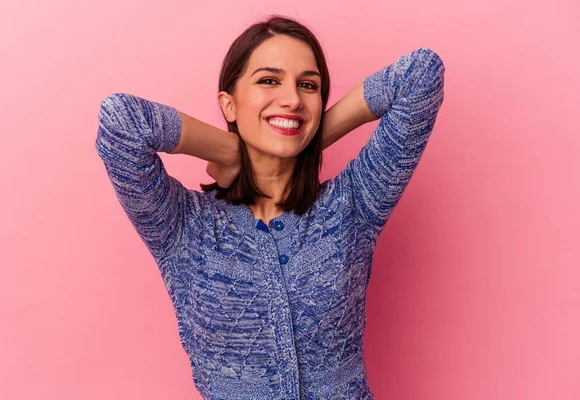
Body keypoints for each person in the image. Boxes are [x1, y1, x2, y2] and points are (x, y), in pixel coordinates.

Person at [95, 14, 445, 400]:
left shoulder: (352, 206)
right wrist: (228, 150)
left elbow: (420, 76)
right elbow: (121, 123)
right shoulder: (182, 226)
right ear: (229, 104)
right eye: (269, 80)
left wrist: (307, 136)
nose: (293, 98)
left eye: (307, 86)